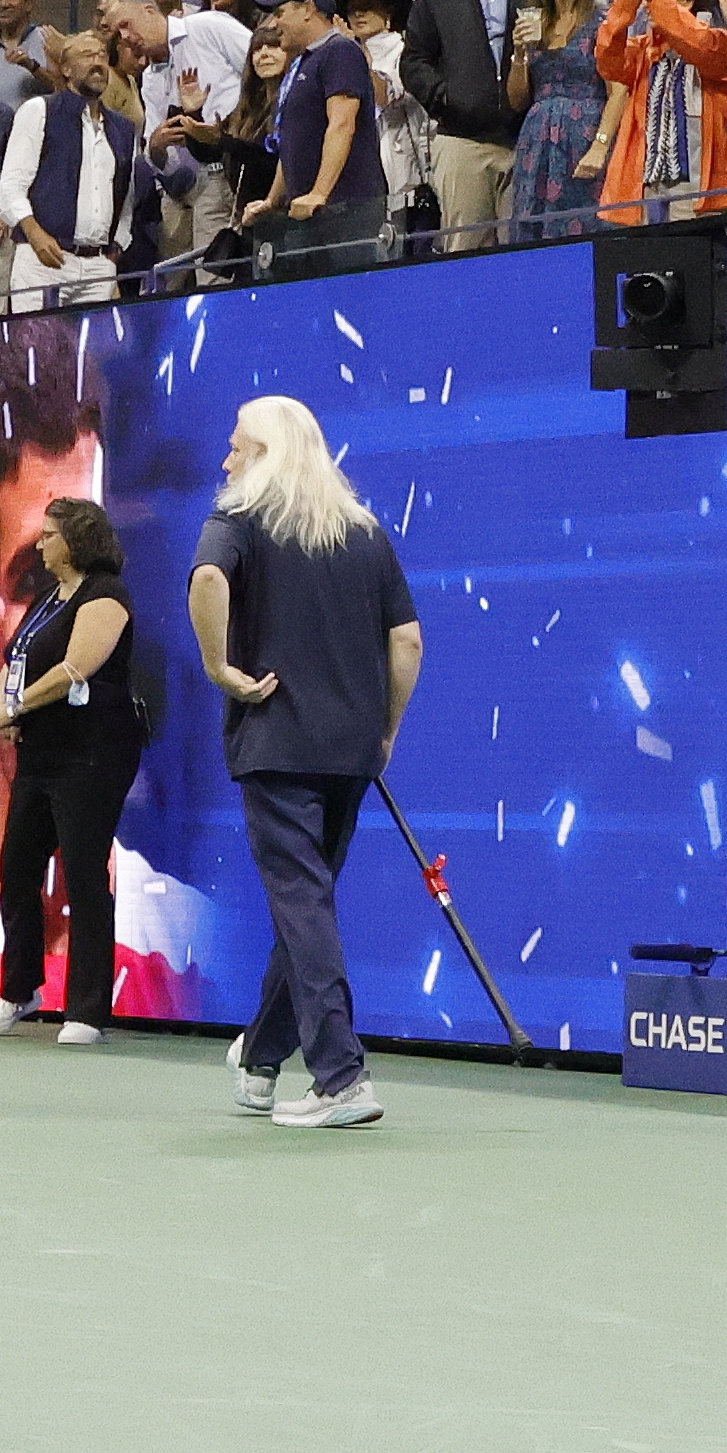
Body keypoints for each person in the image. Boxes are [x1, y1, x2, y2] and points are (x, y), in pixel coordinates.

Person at [194, 394, 422, 1129]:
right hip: (352, 750)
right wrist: (383, 731)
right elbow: (409, 642)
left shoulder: (237, 519)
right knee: (309, 904)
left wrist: (218, 668)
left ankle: (341, 1077)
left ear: (264, 455)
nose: (225, 460)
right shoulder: (365, 533)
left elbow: (205, 582)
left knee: (302, 903)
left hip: (276, 742)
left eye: (236, 447)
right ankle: (261, 1061)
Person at [0, 497, 145, 1043]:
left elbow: (77, 669)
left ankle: (88, 1010)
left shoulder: (106, 595)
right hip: (40, 753)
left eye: (50, 534)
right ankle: (19, 988)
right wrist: (7, 712)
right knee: (17, 869)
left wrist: (17, 705)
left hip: (93, 753)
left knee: (84, 873)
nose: (41, 543)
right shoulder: (49, 596)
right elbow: (19, 659)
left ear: (78, 540)